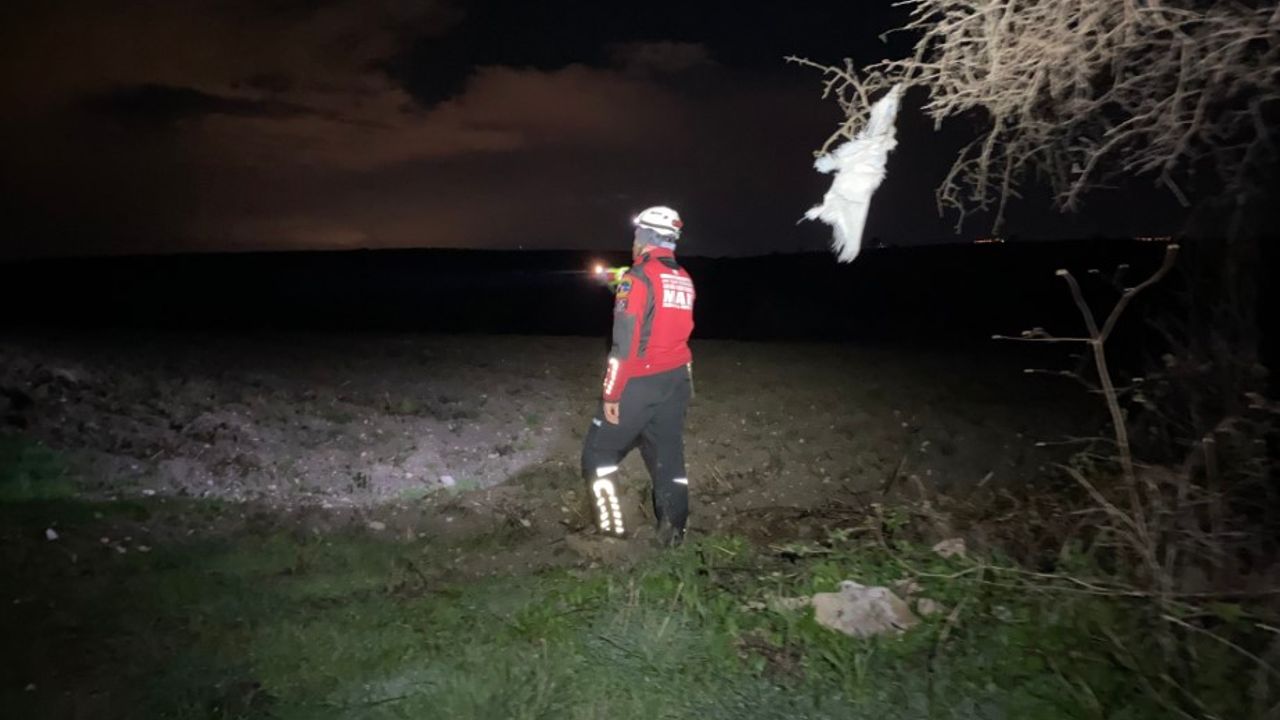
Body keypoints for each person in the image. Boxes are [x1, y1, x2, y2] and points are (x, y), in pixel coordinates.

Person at [580, 206, 696, 547]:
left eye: (635, 236)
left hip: (640, 383)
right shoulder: (684, 277)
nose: (633, 243)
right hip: (676, 382)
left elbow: (625, 345)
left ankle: (611, 533)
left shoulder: (637, 278)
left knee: (598, 455)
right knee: (668, 458)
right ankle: (673, 536)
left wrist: (612, 394)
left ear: (645, 237)